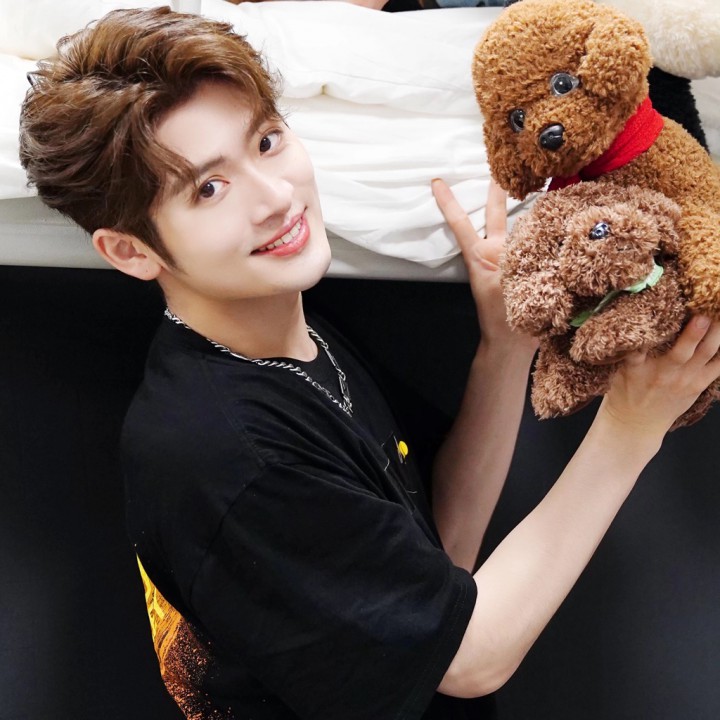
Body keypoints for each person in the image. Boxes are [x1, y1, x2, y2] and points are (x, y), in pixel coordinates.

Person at [18, 7, 720, 720]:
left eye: (266, 141)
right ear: (130, 250)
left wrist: (505, 348)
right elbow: (468, 657)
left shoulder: (289, 339)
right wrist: (631, 428)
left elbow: (440, 560)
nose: (277, 197)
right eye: (208, 188)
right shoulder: (227, 453)